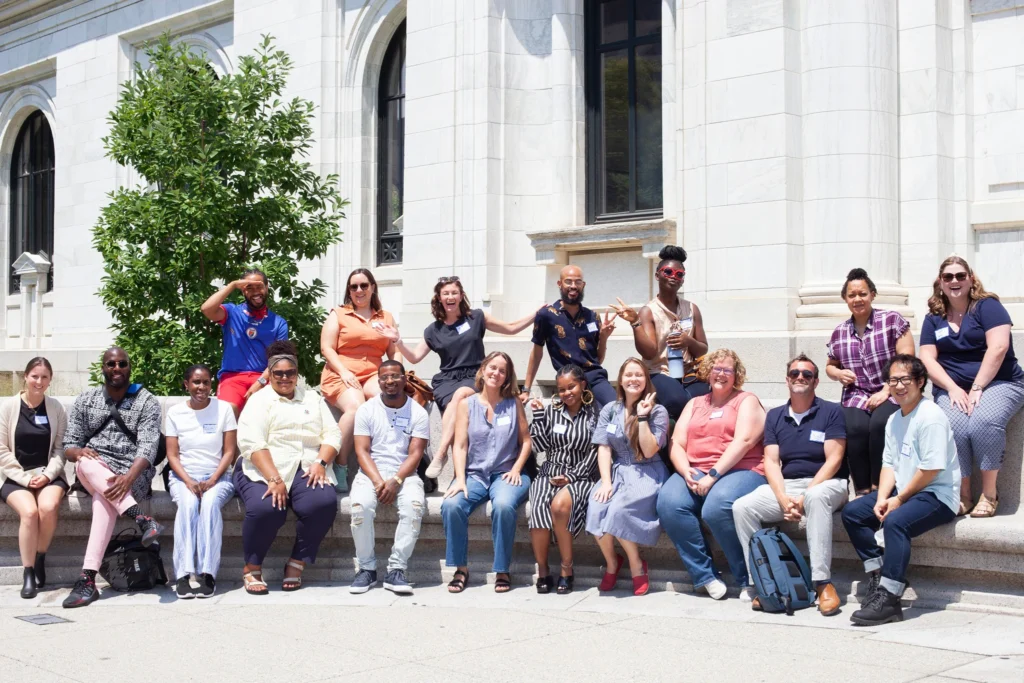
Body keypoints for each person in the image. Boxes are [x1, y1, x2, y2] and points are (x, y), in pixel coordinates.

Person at [842, 355, 960, 626]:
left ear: (920, 382)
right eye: (893, 380)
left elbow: (931, 470)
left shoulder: (930, 416)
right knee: (853, 512)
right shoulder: (895, 418)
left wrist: (899, 500)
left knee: (896, 522)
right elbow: (889, 464)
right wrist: (882, 498)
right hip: (904, 490)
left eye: (906, 379)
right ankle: (878, 574)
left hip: (937, 494)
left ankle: (890, 598)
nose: (899, 385)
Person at [379, 275, 535, 478]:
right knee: (457, 404)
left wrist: (537, 314)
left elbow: (511, 328)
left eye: (454, 292)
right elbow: (415, 357)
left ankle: (441, 453)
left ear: (461, 296)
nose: (450, 296)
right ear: (439, 298)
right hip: (446, 379)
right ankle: (456, 470)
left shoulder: (477, 317)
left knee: (461, 394)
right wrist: (398, 341)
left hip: (475, 375)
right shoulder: (433, 330)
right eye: (446, 293)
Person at [733, 354, 849, 616]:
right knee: (742, 507)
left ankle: (822, 583)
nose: (800, 378)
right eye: (795, 374)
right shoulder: (774, 416)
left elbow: (834, 460)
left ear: (816, 381)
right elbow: (771, 462)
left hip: (827, 484)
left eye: (807, 375)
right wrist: (783, 498)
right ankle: (763, 583)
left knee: (817, 496)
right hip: (789, 485)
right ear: (787, 380)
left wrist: (805, 496)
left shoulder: (831, 411)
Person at [656, 348, 767, 600]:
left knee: (716, 508)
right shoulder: (695, 403)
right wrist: (685, 471)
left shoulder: (746, 400)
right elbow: (677, 443)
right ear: (707, 372)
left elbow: (745, 441)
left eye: (728, 370)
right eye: (717, 368)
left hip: (741, 468)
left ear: (736, 375)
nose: (721, 374)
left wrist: (713, 475)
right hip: (696, 468)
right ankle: (705, 576)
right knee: (669, 503)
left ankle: (746, 577)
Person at [918, 256, 1024, 518]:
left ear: (971, 279)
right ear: (940, 282)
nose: (954, 281)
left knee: (983, 422)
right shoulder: (934, 316)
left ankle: (990, 494)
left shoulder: (987, 307)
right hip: (951, 386)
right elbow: (927, 358)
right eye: (948, 277)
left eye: (960, 276)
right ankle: (963, 494)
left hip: (1001, 382)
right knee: (953, 425)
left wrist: (977, 387)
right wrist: (953, 388)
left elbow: (998, 348)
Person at [235, 341, 341, 595]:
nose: (285, 378)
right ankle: (252, 567)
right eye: (278, 373)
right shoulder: (259, 400)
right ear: (269, 375)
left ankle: (297, 562)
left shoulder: (312, 398)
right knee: (267, 508)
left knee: (323, 503)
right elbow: (252, 442)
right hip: (263, 468)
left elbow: (332, 434)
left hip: (307, 466)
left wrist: (321, 462)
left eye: (290, 373)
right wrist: (274, 478)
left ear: (297, 374)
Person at [61, 347, 164, 608]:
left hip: (133, 474)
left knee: (102, 502)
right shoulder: (86, 400)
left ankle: (87, 579)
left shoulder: (146, 401)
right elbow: (69, 445)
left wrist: (128, 478)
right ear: (103, 368)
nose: (116, 368)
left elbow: (148, 448)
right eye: (111, 364)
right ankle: (141, 519)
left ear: (129, 367)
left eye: (121, 364)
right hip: (94, 467)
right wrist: (78, 451)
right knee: (86, 461)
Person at [441, 351, 532, 594]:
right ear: (483, 369)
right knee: (452, 505)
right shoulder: (465, 405)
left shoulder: (514, 404)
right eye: (493, 367)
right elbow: (460, 445)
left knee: (503, 505)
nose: (496, 373)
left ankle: (502, 569)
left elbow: (526, 441)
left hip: (506, 474)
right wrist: (460, 479)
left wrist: (516, 469)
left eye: (502, 371)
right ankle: (461, 568)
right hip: (474, 475)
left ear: (507, 377)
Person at [826, 268, 914, 495]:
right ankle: (863, 490)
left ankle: (880, 487)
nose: (857, 299)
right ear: (845, 299)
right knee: (853, 429)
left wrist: (887, 390)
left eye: (862, 294)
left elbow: (907, 360)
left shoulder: (892, 320)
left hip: (893, 390)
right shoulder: (839, 332)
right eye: (852, 295)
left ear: (872, 294)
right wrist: (837, 374)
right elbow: (830, 365)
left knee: (878, 425)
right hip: (857, 394)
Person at [586, 359, 669, 597]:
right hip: (617, 470)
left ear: (646, 380)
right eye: (629, 375)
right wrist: (607, 482)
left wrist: (642, 418)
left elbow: (650, 450)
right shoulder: (610, 409)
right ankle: (613, 562)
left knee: (618, 511)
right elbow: (603, 448)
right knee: (596, 508)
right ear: (621, 379)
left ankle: (636, 564)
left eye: (639, 375)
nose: (633, 379)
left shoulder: (658, 411)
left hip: (646, 470)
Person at [349, 361, 430, 595]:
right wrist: (377, 482)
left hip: (405, 473)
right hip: (370, 472)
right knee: (359, 507)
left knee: (414, 508)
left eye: (395, 376)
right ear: (379, 381)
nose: (390, 382)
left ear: (405, 379)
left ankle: (396, 570)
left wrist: (396, 480)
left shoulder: (418, 412)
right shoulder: (367, 409)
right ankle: (366, 569)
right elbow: (362, 451)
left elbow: (416, 454)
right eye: (384, 377)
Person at [610, 246, 710, 420]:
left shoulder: (691, 309)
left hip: (688, 372)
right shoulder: (648, 311)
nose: (674, 276)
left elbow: (702, 349)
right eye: (668, 271)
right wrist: (636, 323)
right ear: (658, 275)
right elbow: (649, 353)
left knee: (708, 396)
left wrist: (688, 341)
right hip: (659, 371)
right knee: (678, 401)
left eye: (679, 274)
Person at [164, 364, 238, 599]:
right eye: (196, 382)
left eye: (206, 382)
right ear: (186, 385)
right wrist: (188, 481)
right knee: (187, 506)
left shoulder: (224, 409)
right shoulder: (175, 413)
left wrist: (213, 479)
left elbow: (229, 452)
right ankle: (184, 575)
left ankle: (207, 574)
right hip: (182, 477)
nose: (202, 387)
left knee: (208, 506)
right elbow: (172, 455)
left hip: (219, 477)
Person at [0, 357, 68, 599]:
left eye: (45, 377)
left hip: (47, 474)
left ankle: (40, 556)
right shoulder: (8, 407)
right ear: (25, 377)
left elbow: (61, 449)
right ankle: (28, 572)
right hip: (16, 476)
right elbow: (1, 449)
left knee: (48, 507)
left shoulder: (56, 408)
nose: (39, 382)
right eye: (35, 376)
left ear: (50, 380)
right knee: (29, 513)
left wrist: (48, 474)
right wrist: (24, 479)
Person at [528, 364, 600, 595]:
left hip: (580, 475)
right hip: (549, 471)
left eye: (571, 387)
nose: (567, 393)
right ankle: (543, 570)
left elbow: (596, 451)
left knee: (559, 506)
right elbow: (538, 446)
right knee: (539, 509)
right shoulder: (552, 411)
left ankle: (567, 569)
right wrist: (538, 416)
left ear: (582, 385)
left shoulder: (595, 413)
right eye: (561, 389)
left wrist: (571, 476)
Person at [320, 268, 396, 472]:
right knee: (356, 409)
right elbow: (326, 348)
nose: (359, 290)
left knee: (389, 400)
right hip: (341, 372)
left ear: (373, 288)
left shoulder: (385, 317)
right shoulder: (339, 314)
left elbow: (393, 351)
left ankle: (386, 460)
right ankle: (341, 464)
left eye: (364, 285)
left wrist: (397, 374)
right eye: (354, 286)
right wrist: (344, 372)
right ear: (349, 290)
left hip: (373, 373)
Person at [520, 265, 617, 408]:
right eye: (568, 281)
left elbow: (598, 359)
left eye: (578, 282)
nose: (573, 286)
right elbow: (536, 353)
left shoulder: (592, 316)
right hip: (568, 382)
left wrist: (604, 337)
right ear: (560, 284)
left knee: (616, 410)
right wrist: (526, 389)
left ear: (583, 285)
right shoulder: (546, 315)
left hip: (595, 378)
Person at [201, 269, 289, 416]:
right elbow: (206, 309)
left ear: (267, 288)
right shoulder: (232, 312)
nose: (256, 292)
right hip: (232, 378)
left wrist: (260, 382)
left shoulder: (278, 323)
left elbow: (278, 359)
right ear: (243, 291)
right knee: (227, 413)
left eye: (259, 286)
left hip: (264, 378)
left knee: (269, 415)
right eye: (249, 287)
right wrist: (232, 285)